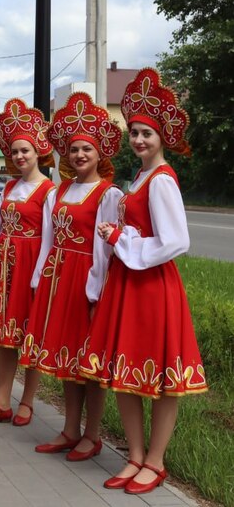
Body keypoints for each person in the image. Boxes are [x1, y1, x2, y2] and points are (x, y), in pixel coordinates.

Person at [79, 69, 207, 493]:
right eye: (133, 132)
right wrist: (119, 236)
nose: (138, 140)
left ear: (162, 138)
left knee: (162, 377)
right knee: (124, 372)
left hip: (152, 287)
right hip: (128, 285)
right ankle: (134, 456)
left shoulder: (163, 180)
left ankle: (155, 461)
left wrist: (121, 240)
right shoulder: (140, 178)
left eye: (147, 134)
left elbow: (175, 241)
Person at [20, 92, 122, 461]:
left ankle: (92, 435)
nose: (79, 155)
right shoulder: (58, 190)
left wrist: (95, 291)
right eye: (74, 149)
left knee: (88, 361)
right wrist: (37, 281)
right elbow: (47, 238)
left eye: (87, 150)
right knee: (66, 359)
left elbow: (105, 249)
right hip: (56, 279)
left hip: (87, 281)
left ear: (100, 155)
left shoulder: (109, 194)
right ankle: (69, 429)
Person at [0, 99, 55, 426]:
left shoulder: (48, 191)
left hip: (31, 267)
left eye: (26, 151)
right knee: (6, 337)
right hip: (5, 265)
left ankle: (27, 402)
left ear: (38, 153)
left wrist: (38, 276)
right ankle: (1, 401)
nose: (20, 157)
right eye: (16, 151)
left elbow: (49, 238)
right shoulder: (10, 186)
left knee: (29, 336)